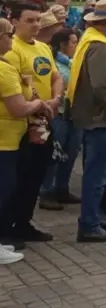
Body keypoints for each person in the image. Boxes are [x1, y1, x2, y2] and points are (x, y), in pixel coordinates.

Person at [2, 0, 63, 245]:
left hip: (44, 120)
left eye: (38, 20)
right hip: (24, 125)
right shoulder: (10, 49)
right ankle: (7, 228)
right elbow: (20, 88)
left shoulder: (43, 47)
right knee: (16, 180)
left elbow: (56, 76)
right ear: (14, 21)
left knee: (35, 176)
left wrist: (56, 99)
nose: (36, 25)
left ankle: (23, 223)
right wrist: (41, 107)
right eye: (30, 20)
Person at [67, 0, 106, 242]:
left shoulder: (90, 40)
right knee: (98, 173)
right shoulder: (99, 46)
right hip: (102, 118)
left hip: (95, 115)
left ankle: (94, 217)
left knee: (96, 171)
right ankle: (90, 223)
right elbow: (102, 84)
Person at [0, 18, 51, 260]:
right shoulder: (4, 69)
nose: (11, 39)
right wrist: (39, 104)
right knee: (4, 190)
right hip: (4, 141)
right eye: (8, 34)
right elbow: (19, 108)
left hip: (9, 140)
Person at [38, 28, 82, 210]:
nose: (76, 45)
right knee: (54, 154)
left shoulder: (74, 62)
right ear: (63, 45)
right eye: (73, 42)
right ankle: (46, 191)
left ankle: (62, 188)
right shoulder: (53, 62)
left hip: (75, 114)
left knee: (71, 153)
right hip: (59, 114)